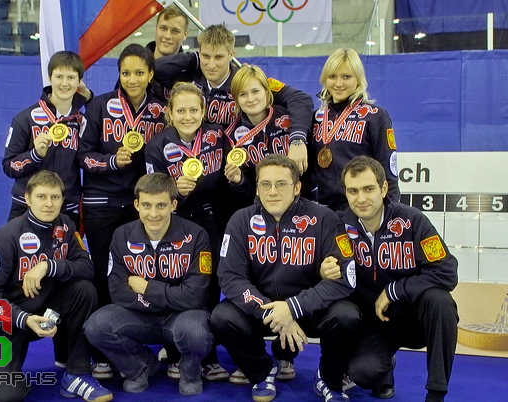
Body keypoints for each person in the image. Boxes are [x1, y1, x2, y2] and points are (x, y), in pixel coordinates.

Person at [210, 154, 359, 402]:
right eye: (265, 184)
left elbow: (346, 277)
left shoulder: (324, 218)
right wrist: (272, 312)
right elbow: (230, 278)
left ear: (297, 187)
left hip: (309, 309)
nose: (273, 192)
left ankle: (329, 377)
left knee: (347, 315)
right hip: (262, 309)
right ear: (257, 188)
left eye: (281, 184)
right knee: (221, 317)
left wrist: (293, 307)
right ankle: (262, 370)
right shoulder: (240, 220)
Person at [0, 170, 112, 402]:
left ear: (63, 200)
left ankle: (76, 374)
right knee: (8, 396)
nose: (49, 204)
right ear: (27, 199)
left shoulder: (64, 226)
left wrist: (49, 266)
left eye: (55, 197)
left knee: (84, 289)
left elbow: (86, 267)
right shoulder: (3, 239)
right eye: (42, 197)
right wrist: (23, 318)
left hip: (40, 312)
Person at [331, 156, 458, 402]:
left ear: (384, 188)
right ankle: (384, 369)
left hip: (413, 317)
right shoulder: (339, 225)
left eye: (369, 189)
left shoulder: (412, 220)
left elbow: (447, 271)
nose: (361, 198)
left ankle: (436, 394)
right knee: (363, 373)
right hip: (372, 323)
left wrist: (395, 290)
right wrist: (324, 269)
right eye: (353, 191)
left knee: (441, 302)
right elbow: (326, 273)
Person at [145, 82, 243, 381]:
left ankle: (209, 356)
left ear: (203, 111)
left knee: (210, 285)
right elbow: (152, 191)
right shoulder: (157, 145)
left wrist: (237, 180)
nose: (188, 116)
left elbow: (232, 189)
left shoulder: (217, 137)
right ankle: (176, 352)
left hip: (210, 222)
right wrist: (175, 192)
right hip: (172, 224)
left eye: (194, 110)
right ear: (170, 113)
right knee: (173, 283)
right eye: (181, 110)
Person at [79, 43, 166, 378]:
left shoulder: (160, 111)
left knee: (148, 274)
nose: (132, 79)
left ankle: (147, 343)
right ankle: (102, 350)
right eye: (126, 72)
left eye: (139, 73)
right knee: (104, 274)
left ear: (150, 74)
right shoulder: (99, 107)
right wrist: (110, 161)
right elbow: (82, 156)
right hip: (102, 204)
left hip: (143, 207)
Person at [85, 173, 214, 396]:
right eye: (146, 205)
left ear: (173, 204)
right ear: (136, 205)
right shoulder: (121, 235)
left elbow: (195, 297)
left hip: (181, 316)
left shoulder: (196, 235)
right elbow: (117, 292)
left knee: (195, 331)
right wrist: (168, 298)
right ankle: (141, 366)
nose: (153, 214)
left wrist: (146, 288)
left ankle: (190, 371)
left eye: (161, 205)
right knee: (96, 326)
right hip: (140, 316)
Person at [154, 24, 313, 175]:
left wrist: (297, 140)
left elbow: (300, 99)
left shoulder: (245, 82)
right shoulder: (189, 80)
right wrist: (194, 59)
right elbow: (156, 69)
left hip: (239, 165)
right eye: (206, 56)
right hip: (197, 165)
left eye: (219, 57)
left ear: (231, 54)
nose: (211, 64)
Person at [2, 51, 92, 227]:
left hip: (65, 208)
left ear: (79, 81)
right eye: (59, 76)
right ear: (50, 78)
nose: (64, 83)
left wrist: (88, 98)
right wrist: (34, 155)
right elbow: (8, 166)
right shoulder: (25, 119)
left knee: (66, 255)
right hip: (27, 206)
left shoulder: (82, 121)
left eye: (71, 77)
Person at [309, 48, 399, 211]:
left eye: (346, 77)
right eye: (332, 77)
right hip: (324, 212)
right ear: (324, 79)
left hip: (362, 209)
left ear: (358, 79)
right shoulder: (315, 118)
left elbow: (389, 174)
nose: (338, 83)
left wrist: (390, 217)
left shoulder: (375, 116)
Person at [226, 64, 293, 207]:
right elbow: (244, 195)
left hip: (298, 201)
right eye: (243, 94)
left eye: (255, 91)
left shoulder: (290, 117)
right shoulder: (232, 137)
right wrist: (239, 181)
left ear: (267, 93)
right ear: (236, 100)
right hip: (262, 206)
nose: (250, 99)